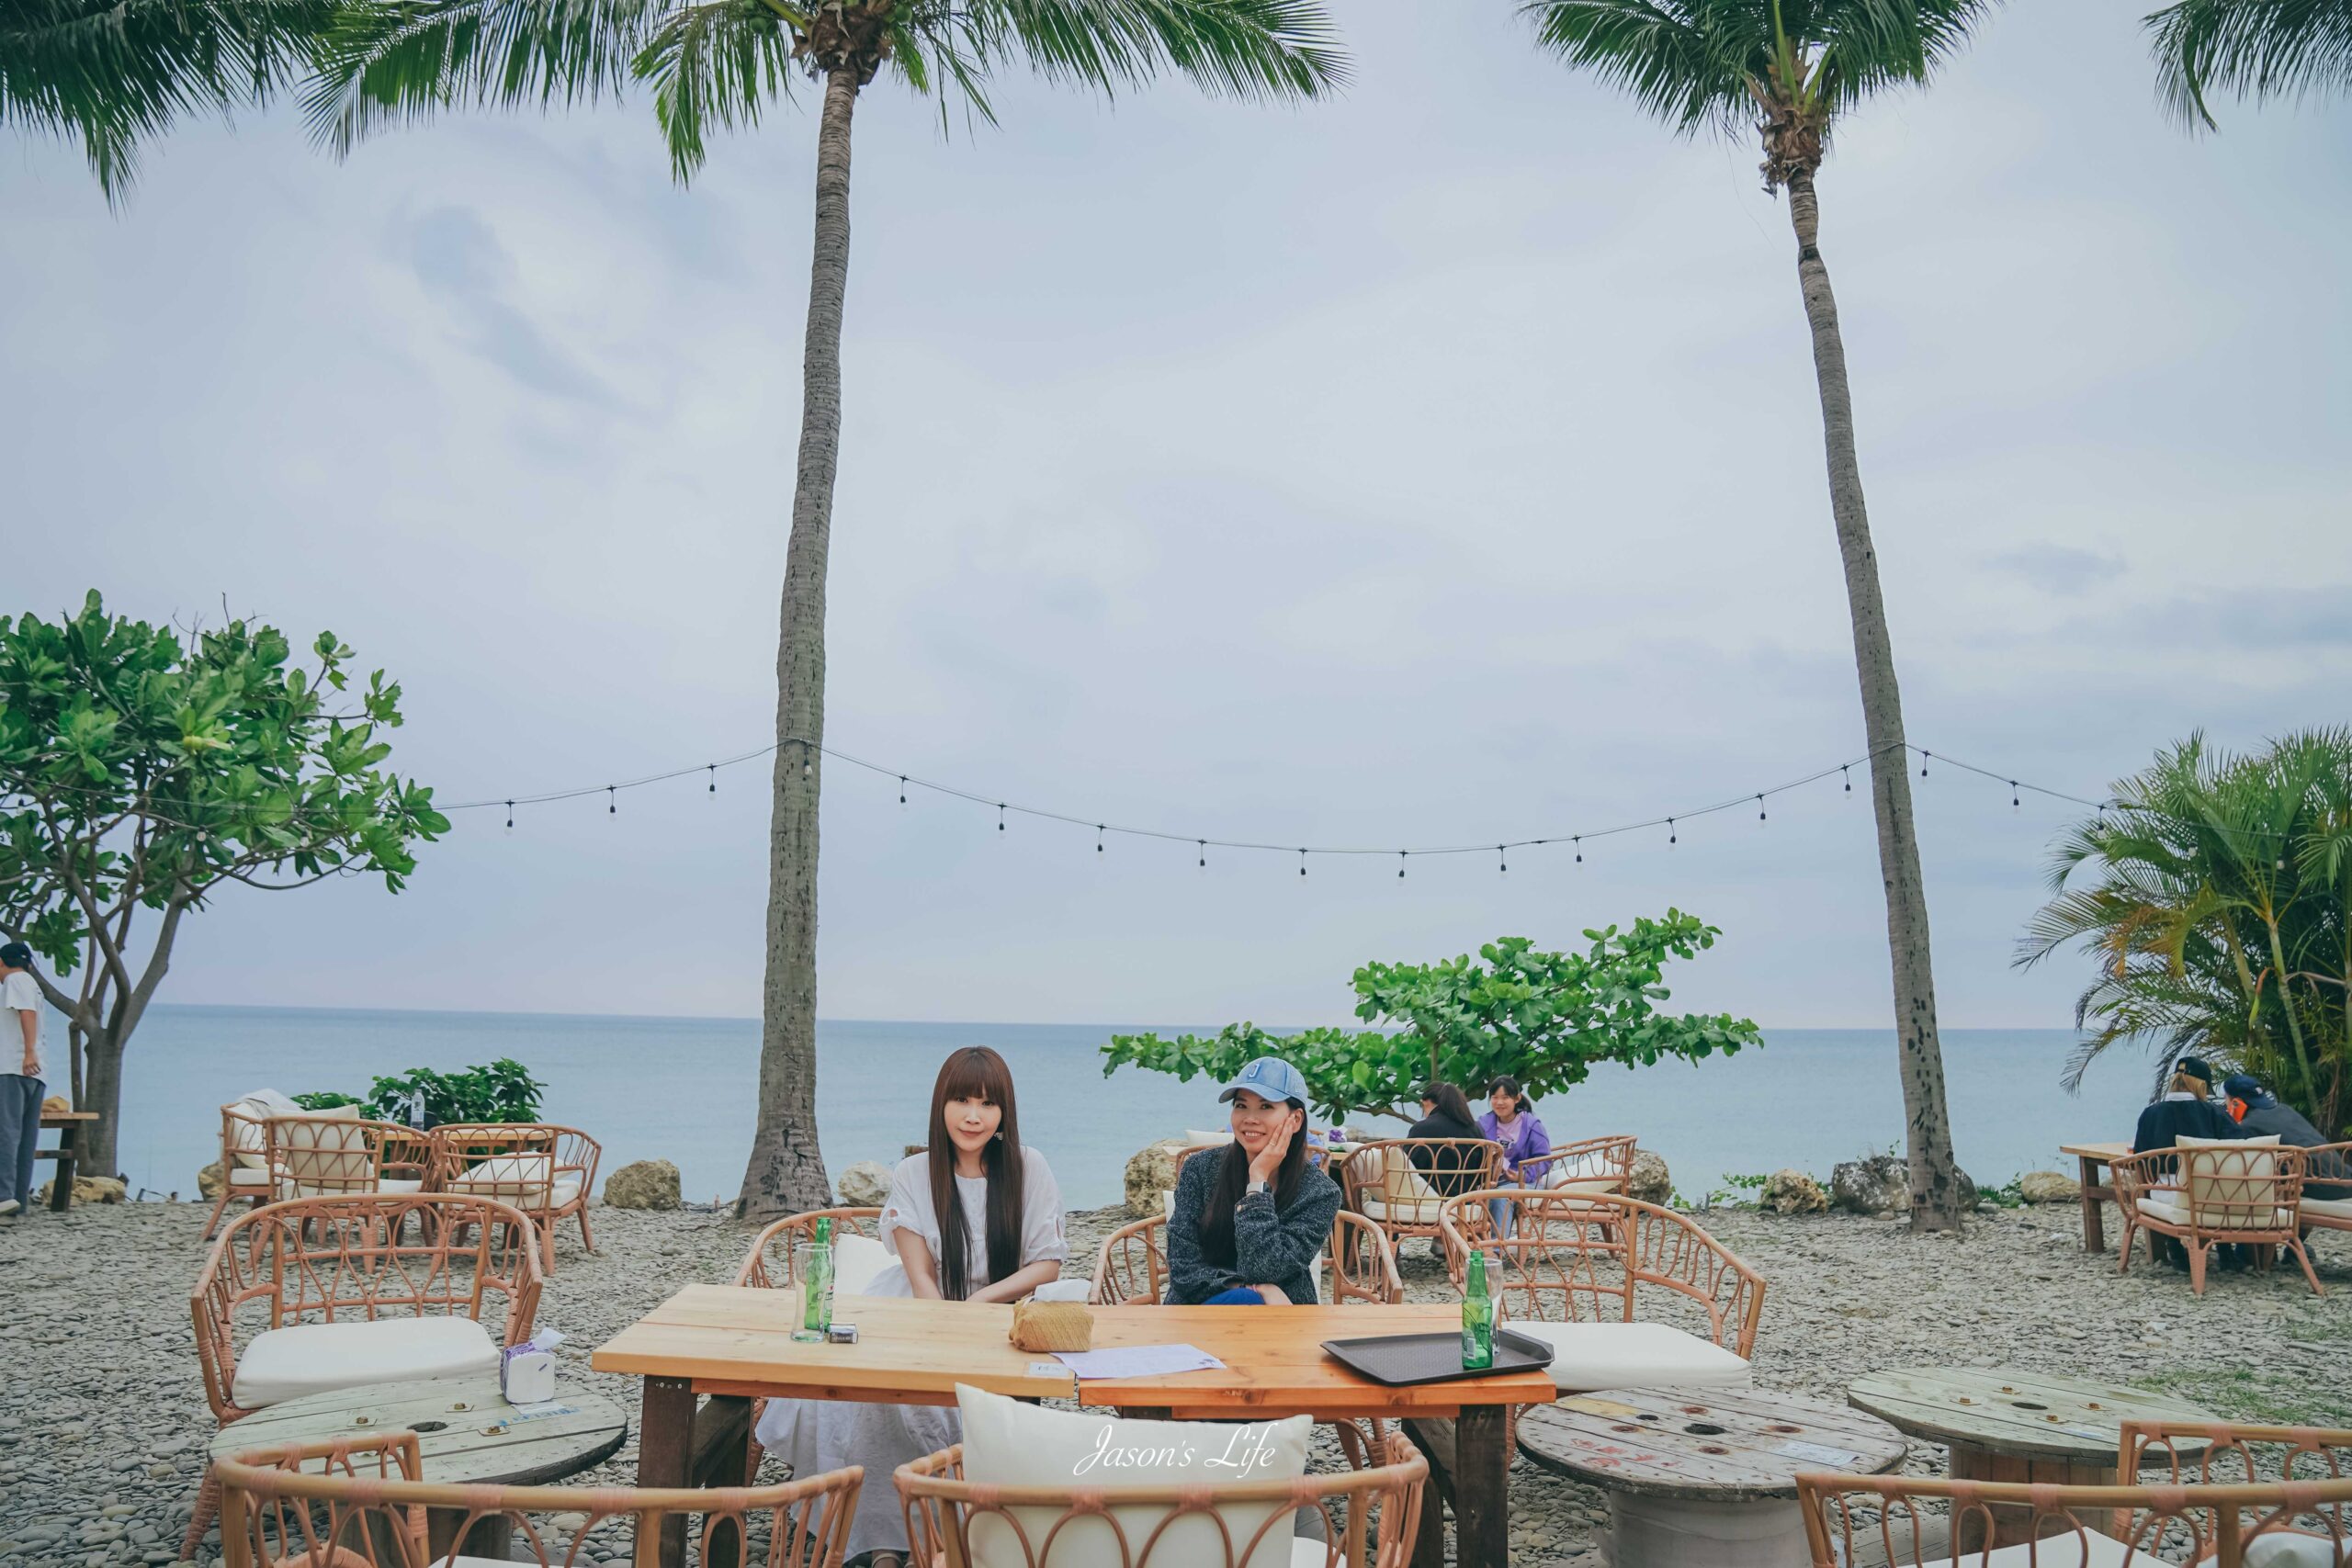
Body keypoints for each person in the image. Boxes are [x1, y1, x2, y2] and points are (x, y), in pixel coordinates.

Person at [753, 1046, 1065, 1568]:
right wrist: (944, 1323)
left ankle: (948, 1531)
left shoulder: (1029, 1167)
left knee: (951, 1408)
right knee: (880, 1399)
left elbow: (1047, 1263)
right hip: (914, 1306)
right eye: (961, 1100)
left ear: (1003, 1113)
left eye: (987, 1104)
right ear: (940, 1105)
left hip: (994, 1313)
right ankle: (880, 1539)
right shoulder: (915, 1172)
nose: (972, 1116)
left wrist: (979, 1302)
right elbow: (920, 1275)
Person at [1165, 1055, 1342, 1306]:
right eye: (1241, 1105)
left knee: (1247, 1300)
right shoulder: (1200, 1169)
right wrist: (1250, 1288)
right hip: (1198, 1307)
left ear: (1295, 1120)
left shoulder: (1320, 1192)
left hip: (1279, 1314)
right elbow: (1182, 1266)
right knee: (1245, 1298)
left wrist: (1257, 1184)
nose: (1249, 1118)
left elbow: (1266, 1268)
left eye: (1265, 1106)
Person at [2131, 1056, 2245, 1271]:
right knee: (2217, 1185)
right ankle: (2225, 1252)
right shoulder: (2214, 1113)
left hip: (2167, 1192)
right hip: (2213, 1193)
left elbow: (2140, 1157)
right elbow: (2239, 1150)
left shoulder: (2151, 1113)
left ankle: (2175, 1250)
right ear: (2201, 1085)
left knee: (2167, 1184)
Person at [2224, 1073, 2350, 1200]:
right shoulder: (2285, 1109)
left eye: (2226, 1100)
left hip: (2322, 1188)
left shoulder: (2248, 1126)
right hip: (2344, 1179)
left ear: (2236, 1103)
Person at [0, 942, 50, 1221]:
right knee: (25, 1138)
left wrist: (28, 1052)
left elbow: (26, 1013)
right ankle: (16, 1200)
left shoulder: (15, 980)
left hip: (13, 1066)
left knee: (6, 1133)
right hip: (35, 1072)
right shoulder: (32, 983)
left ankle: (3, 1197)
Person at [1477, 1075, 1551, 1235]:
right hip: (1491, 1180)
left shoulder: (1532, 1125)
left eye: (1505, 1097)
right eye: (1495, 1097)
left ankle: (1497, 1246)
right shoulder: (1483, 1123)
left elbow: (1544, 1160)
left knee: (1501, 1197)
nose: (1499, 1102)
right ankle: (1467, 1244)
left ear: (1517, 1098)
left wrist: (1521, 1175)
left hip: (1525, 1182)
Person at [1405, 1081, 1484, 1198]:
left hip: (1425, 1201)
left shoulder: (1421, 1129)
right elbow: (1482, 1176)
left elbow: (1406, 1170)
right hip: (1466, 1202)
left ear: (1426, 1103)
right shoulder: (1476, 1129)